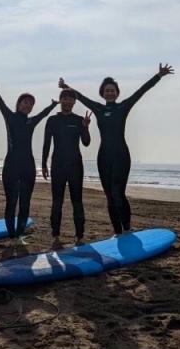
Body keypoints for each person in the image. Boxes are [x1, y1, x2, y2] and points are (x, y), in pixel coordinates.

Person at [59, 63, 173, 235]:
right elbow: (81, 97)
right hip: (104, 157)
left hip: (121, 156)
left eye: (112, 90)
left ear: (117, 93)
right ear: (102, 93)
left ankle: (127, 228)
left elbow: (141, 91)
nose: (110, 92)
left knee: (117, 192)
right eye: (107, 90)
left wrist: (158, 76)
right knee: (110, 197)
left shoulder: (123, 106)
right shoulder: (98, 108)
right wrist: (66, 87)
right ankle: (117, 232)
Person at [0, 73, 57, 246]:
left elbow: (43, 114)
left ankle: (19, 235)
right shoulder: (10, 116)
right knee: (11, 202)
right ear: (19, 103)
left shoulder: (32, 121)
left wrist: (53, 105)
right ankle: (12, 236)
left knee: (26, 203)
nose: (28, 105)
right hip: (11, 166)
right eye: (25, 102)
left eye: (31, 103)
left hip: (28, 166)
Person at [42, 89, 91, 246]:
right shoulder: (52, 120)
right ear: (60, 100)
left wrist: (85, 127)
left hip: (76, 165)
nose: (68, 101)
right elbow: (46, 143)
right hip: (57, 165)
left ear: (74, 102)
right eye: (65, 98)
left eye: (71, 99)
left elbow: (86, 142)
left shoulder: (79, 120)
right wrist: (43, 164)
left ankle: (80, 236)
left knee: (77, 201)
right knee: (57, 201)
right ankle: (56, 235)